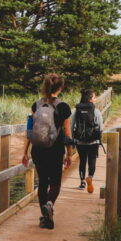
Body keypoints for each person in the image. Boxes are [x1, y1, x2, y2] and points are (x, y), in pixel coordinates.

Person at [21, 73, 73, 230]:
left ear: (44, 86)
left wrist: (25, 152)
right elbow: (67, 132)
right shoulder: (63, 107)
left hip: (38, 150)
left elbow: (29, 131)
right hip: (55, 150)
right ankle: (50, 204)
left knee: (43, 182)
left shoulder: (36, 105)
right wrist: (69, 154)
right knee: (55, 182)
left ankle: (46, 219)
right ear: (60, 88)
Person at [71, 88, 103, 194]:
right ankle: (90, 177)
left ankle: (82, 182)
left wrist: (73, 139)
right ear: (90, 99)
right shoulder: (96, 111)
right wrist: (99, 138)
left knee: (82, 161)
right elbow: (100, 127)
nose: (95, 98)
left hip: (80, 141)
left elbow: (72, 126)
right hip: (93, 141)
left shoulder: (77, 111)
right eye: (94, 97)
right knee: (92, 162)